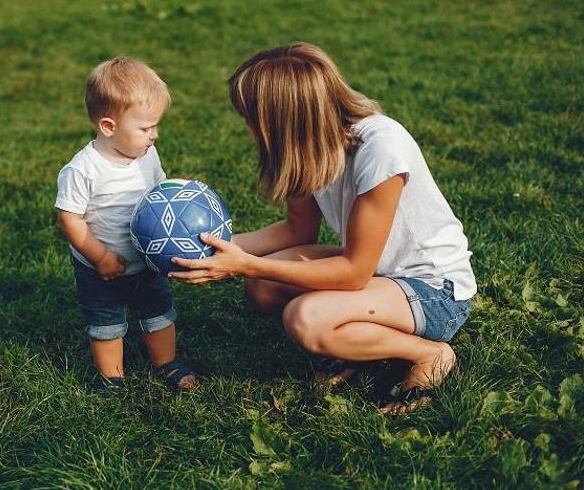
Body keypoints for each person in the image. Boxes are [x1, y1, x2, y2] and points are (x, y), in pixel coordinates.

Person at [169, 43, 476, 414]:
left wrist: (246, 263)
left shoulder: (380, 150)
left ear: (281, 119)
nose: (249, 130)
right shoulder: (308, 147)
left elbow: (354, 272)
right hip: (380, 275)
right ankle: (357, 344)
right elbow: (297, 232)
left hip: (434, 291)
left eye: (251, 118)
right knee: (262, 288)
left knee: (307, 319)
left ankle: (430, 354)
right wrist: (200, 249)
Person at [55, 57, 196, 393]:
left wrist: (179, 192)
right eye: (146, 128)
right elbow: (69, 218)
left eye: (155, 126)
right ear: (108, 126)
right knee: (106, 324)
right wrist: (100, 256)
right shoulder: (83, 169)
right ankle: (112, 376)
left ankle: (167, 363)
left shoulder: (148, 155)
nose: (154, 135)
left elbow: (159, 189)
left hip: (147, 260)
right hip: (100, 270)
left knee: (159, 314)